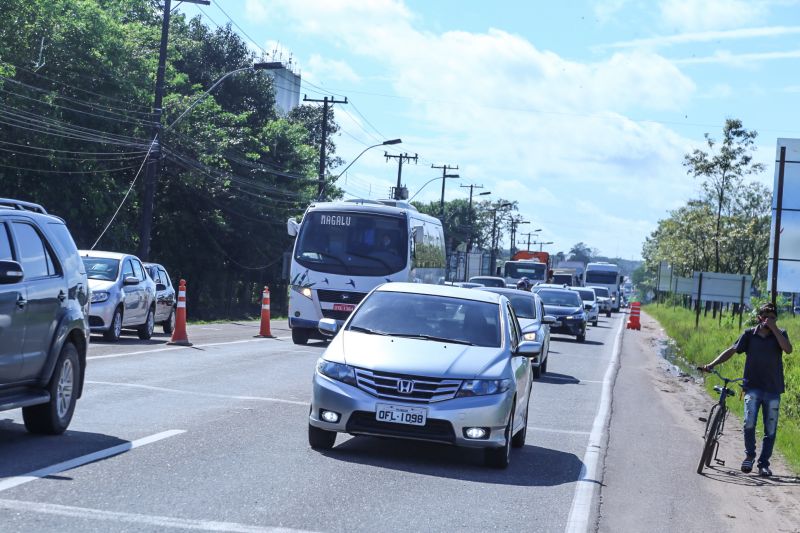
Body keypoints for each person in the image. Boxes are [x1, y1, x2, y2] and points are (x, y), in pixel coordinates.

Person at [701, 302, 793, 477]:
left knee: (770, 429)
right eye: (766, 316)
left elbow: (788, 349)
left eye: (772, 317)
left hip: (773, 389)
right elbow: (732, 350)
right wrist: (711, 364)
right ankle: (749, 456)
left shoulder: (780, 335)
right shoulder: (749, 335)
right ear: (759, 317)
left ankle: (763, 464)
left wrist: (774, 329)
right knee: (749, 422)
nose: (769, 320)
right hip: (752, 387)